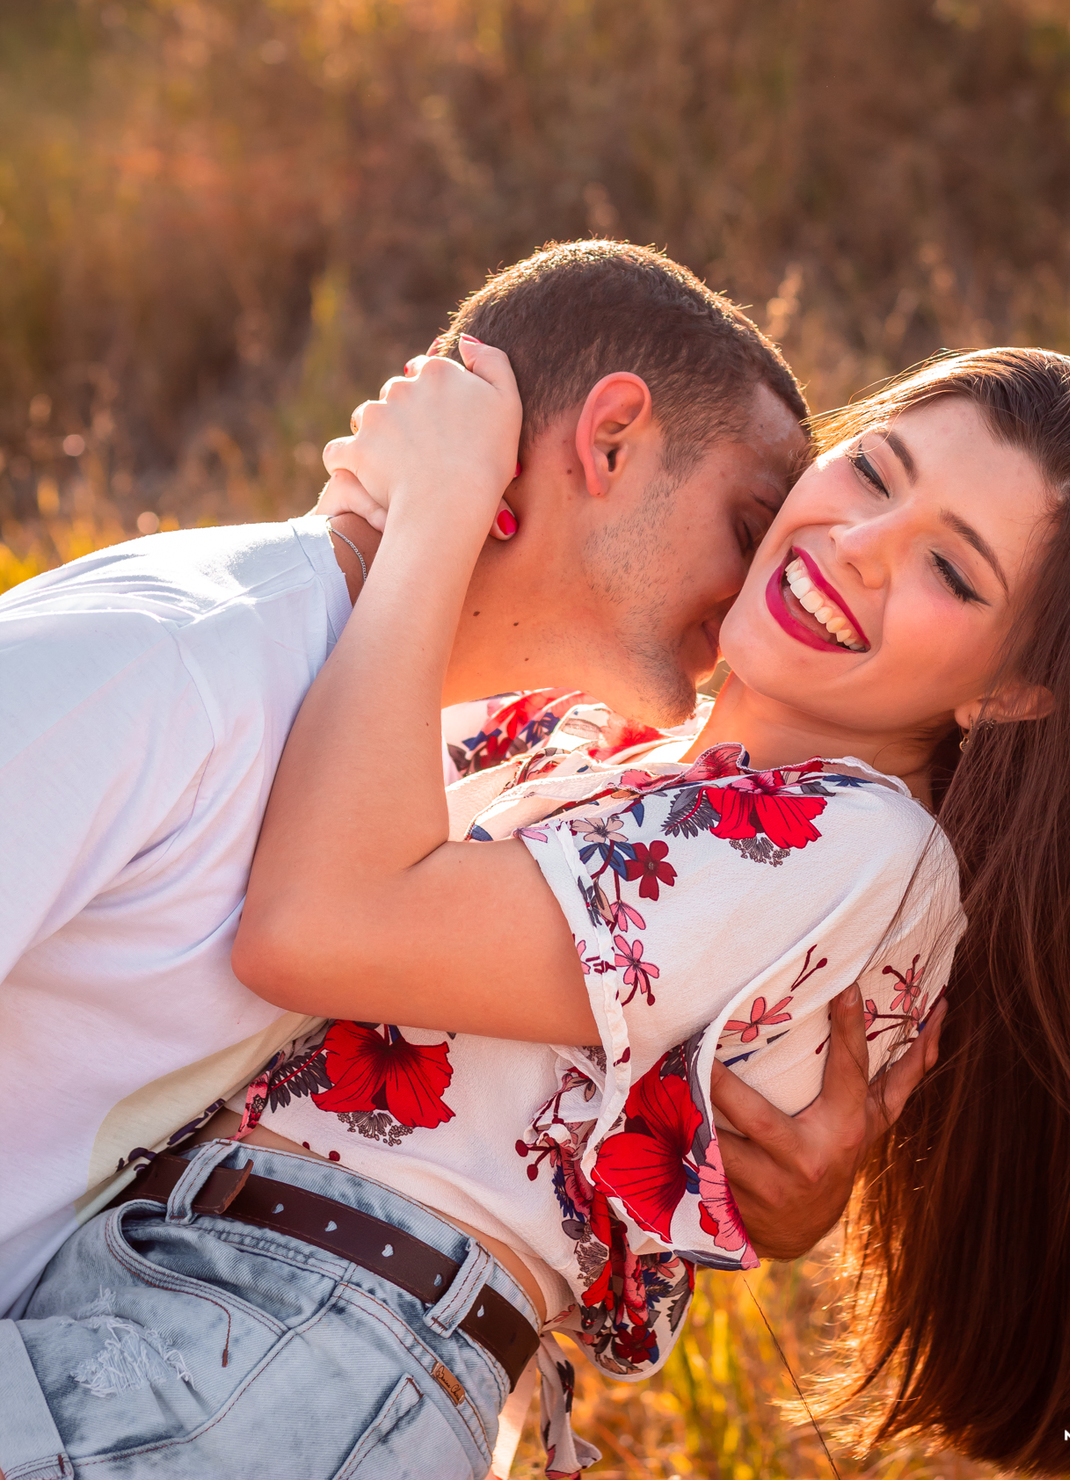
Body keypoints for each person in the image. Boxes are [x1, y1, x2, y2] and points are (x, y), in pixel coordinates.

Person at [12, 339, 1070, 1479]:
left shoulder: (859, 843)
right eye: (876, 470)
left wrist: (444, 504)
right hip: (182, 1290)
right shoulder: (606, 732)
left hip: (293, 1339)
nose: (866, 544)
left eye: (953, 570)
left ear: (1017, 685)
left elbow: (314, 927)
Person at [0, 238, 857, 1329]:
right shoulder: (173, 661)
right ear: (609, 440)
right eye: (749, 528)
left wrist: (785, 1197)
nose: (753, 604)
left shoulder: (455, 772)